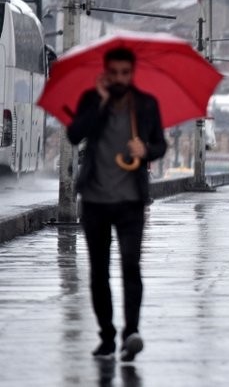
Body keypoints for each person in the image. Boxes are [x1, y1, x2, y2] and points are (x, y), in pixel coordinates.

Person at [67, 47, 167, 362]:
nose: (120, 79)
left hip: (130, 202)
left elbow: (161, 145)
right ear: (106, 73)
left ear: (132, 73)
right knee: (99, 272)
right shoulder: (91, 100)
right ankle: (107, 336)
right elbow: (74, 135)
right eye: (115, 74)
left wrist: (146, 150)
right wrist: (101, 102)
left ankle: (131, 333)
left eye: (126, 73)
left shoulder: (146, 105)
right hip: (95, 201)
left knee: (130, 267)